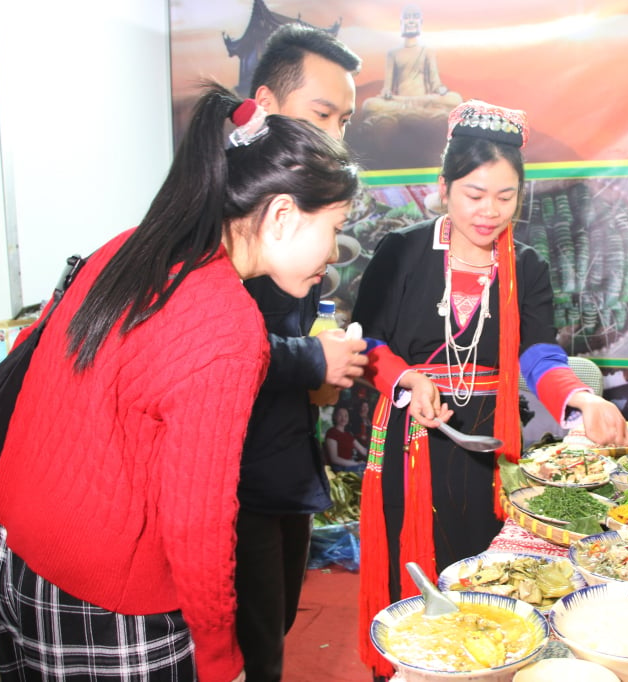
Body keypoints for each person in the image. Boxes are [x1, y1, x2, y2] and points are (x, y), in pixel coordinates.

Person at [0, 83, 361, 681]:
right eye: (333, 227)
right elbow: (197, 520)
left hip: (15, 560)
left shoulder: (130, 248)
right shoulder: (228, 324)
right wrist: (218, 656)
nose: (333, 253)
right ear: (281, 215)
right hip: (106, 594)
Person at [352, 100, 628, 678]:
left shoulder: (525, 265)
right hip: (410, 438)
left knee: (481, 567)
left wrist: (579, 398)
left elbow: (538, 355)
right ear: (443, 186)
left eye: (505, 198)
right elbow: (370, 345)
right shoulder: (401, 251)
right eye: (474, 195)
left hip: (485, 443)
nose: (489, 212)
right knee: (410, 569)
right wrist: (405, 376)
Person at [233, 23, 367, 682]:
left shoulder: (290, 222)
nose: (335, 134)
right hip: (235, 484)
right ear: (262, 106)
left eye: (344, 118)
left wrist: (321, 344)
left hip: (281, 457)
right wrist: (312, 360)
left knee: (276, 623)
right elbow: (214, 342)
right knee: (251, 647)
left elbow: (287, 328)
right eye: (321, 114)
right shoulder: (222, 220)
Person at [360, 4, 462, 121]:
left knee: (455, 99)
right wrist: (387, 93)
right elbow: (387, 87)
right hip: (400, 101)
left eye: (415, 17)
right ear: (401, 22)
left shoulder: (428, 51)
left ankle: (410, 110)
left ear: (420, 22)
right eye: (407, 17)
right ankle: (421, 111)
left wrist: (441, 90)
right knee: (369, 105)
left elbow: (435, 84)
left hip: (423, 100)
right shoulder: (393, 53)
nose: (411, 21)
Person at [323, 405, 368, 473]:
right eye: (340, 415)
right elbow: (334, 459)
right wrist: (356, 464)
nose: (343, 418)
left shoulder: (348, 435)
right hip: (338, 468)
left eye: (346, 416)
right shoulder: (332, 433)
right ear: (335, 417)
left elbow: (363, 451)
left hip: (349, 465)